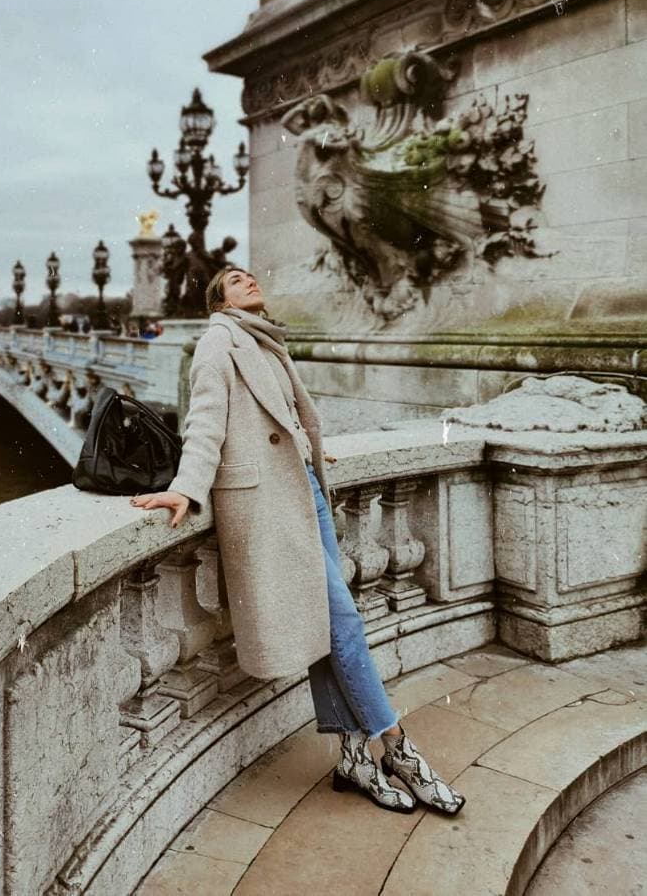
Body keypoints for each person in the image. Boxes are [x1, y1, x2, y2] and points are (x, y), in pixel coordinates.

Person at [130, 264, 465, 816]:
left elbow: (283, 416)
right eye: (236, 280)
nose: (250, 279)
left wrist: (306, 449)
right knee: (344, 622)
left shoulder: (266, 341)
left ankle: (355, 758)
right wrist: (185, 488)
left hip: (304, 489)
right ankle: (399, 750)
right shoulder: (220, 342)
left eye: (251, 275)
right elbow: (205, 422)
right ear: (221, 301)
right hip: (267, 506)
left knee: (327, 624)